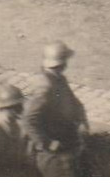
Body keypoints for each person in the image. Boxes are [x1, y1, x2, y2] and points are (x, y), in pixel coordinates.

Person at [24, 41, 88, 175]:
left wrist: (82, 118)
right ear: (62, 63)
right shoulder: (45, 87)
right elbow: (29, 120)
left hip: (68, 141)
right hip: (53, 154)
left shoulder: (59, 79)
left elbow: (73, 101)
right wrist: (48, 143)